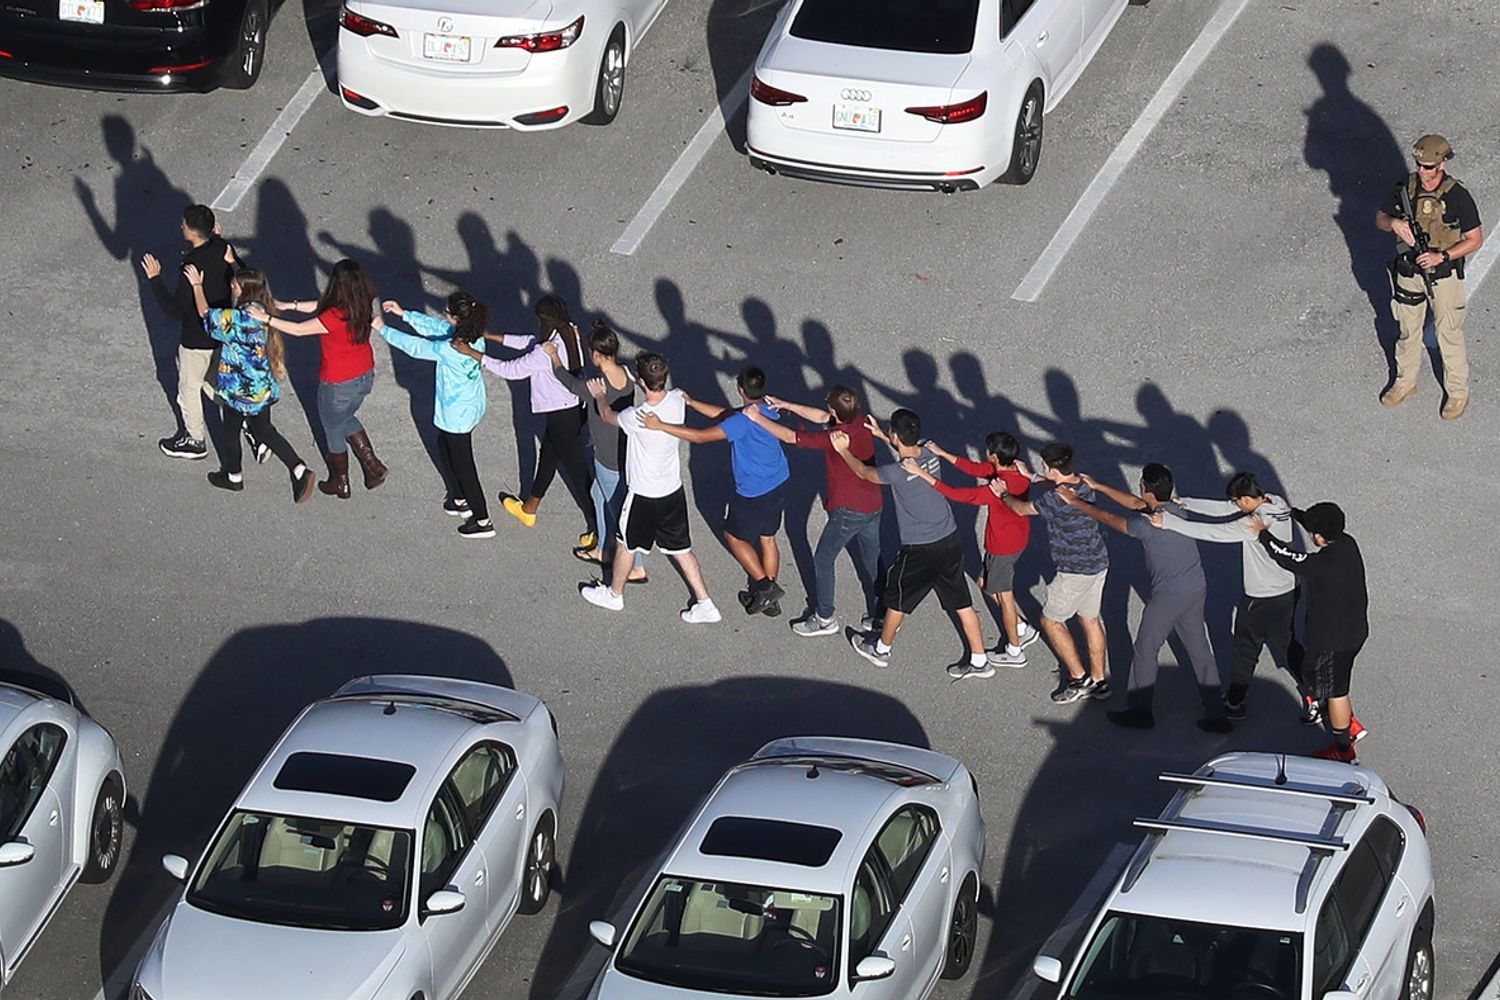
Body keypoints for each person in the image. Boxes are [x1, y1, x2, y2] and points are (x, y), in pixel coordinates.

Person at [1056, 466, 1231, 732]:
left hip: (1168, 596)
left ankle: (1140, 710)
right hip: (1196, 587)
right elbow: (1137, 504)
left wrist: (1075, 501)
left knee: (1146, 648)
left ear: (1146, 488)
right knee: (1199, 647)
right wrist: (1098, 486)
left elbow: (1109, 518)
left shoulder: (1145, 525)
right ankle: (1216, 711)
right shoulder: (1173, 510)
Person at [835, 410, 992, 679]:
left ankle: (881, 649)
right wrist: (882, 435)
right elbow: (906, 449)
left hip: (920, 548)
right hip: (949, 539)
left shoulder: (894, 472)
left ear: (896, 436)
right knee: (961, 601)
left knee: (897, 600)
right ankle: (980, 660)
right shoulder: (928, 451)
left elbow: (864, 472)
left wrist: (843, 451)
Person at [578, 353, 720, 624]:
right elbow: (660, 391)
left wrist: (599, 395)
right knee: (681, 549)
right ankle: (705, 603)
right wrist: (641, 380)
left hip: (643, 495)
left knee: (625, 544)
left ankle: (614, 594)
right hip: (672, 491)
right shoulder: (678, 398)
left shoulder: (637, 416)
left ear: (642, 381)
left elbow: (608, 417)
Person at [642, 365, 791, 617]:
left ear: (740, 389)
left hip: (754, 491)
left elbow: (701, 437)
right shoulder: (765, 408)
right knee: (768, 537)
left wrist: (661, 426)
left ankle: (766, 588)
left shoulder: (742, 422)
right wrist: (691, 402)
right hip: (779, 481)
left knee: (734, 536)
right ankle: (769, 597)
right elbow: (725, 414)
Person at [742, 385, 883, 636]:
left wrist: (757, 417)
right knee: (873, 559)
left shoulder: (834, 438)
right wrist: (786, 404)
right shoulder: (860, 422)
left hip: (849, 510)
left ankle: (825, 617)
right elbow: (821, 417)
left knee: (824, 559)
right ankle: (881, 614)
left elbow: (789, 437)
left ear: (834, 410)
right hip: (873, 503)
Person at [248, 259, 387, 499]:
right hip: (364, 375)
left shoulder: (335, 315)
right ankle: (372, 465)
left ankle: (340, 481)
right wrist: (289, 305)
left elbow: (300, 330)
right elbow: (321, 305)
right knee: (344, 418)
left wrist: (266, 319)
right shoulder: (361, 302)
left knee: (332, 428)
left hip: (338, 382)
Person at [469, 295, 597, 548]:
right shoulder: (567, 330)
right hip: (571, 409)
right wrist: (493, 337)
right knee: (548, 457)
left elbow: (512, 369)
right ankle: (529, 507)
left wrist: (475, 354)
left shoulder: (544, 351)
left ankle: (599, 527)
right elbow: (530, 343)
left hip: (562, 416)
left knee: (580, 474)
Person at [182, 265, 316, 502]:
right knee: (264, 430)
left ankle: (233, 475)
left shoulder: (240, 318)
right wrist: (232, 259)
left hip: (240, 390)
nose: (231, 286)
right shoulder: (261, 308)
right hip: (262, 386)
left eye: (234, 284)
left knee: (230, 431)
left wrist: (196, 285)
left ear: (243, 289)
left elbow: (205, 314)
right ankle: (299, 470)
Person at [1248, 502, 1369, 762]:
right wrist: (1293, 513)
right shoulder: (1348, 544)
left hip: (1332, 642)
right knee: (1329, 677)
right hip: (1355, 631)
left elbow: (1287, 557)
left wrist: (1263, 533)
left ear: (1318, 535)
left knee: (1336, 691)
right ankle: (1347, 722)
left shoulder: (1320, 564)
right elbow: (1318, 526)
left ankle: (1343, 748)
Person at [1377, 134, 1485, 420]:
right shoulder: (1406, 189)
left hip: (1442, 275)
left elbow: (1475, 239)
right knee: (1407, 329)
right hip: (1408, 271)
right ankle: (1405, 381)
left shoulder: (1456, 196)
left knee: (1448, 333)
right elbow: (1380, 218)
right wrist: (1395, 224)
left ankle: (1458, 393)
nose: (1422, 171)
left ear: (1443, 164)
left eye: (1429, 166)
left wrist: (1443, 256)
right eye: (1419, 165)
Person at [376, 292, 495, 538]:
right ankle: (459, 497)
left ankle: (482, 520)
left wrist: (381, 328)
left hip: (456, 415)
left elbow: (417, 347)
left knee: (465, 467)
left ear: (455, 317)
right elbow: (437, 327)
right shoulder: (472, 334)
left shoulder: (450, 348)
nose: (445, 316)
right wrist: (404, 314)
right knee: (443, 445)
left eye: (447, 312)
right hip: (469, 406)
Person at [918, 432, 1040, 666]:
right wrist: (942, 453)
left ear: (994, 456)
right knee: (984, 583)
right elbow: (976, 469)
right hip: (1016, 539)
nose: (985, 454)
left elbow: (956, 494)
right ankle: (1021, 627)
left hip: (1002, 546)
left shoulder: (994, 490)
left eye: (988, 451)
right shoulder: (1016, 470)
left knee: (1004, 597)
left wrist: (922, 474)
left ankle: (1015, 651)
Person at [1002, 443, 1111, 704]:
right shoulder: (1082, 483)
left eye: (1043, 466)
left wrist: (1004, 493)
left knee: (1051, 621)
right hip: (1097, 563)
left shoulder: (1054, 499)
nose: (1042, 468)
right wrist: (1031, 476)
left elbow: (1022, 509)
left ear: (1052, 468)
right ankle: (1099, 681)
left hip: (1073, 571)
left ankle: (1078, 678)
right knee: (1090, 620)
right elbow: (1057, 486)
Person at [542, 322, 647, 582]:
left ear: (597, 354)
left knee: (620, 510)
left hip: (608, 458)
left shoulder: (595, 388)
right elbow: (592, 377)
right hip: (624, 452)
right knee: (597, 494)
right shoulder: (624, 373)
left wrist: (554, 356)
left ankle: (637, 566)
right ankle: (602, 549)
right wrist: (577, 342)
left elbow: (566, 379)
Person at [140, 204, 238, 460]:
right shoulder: (223, 248)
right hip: (223, 332)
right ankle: (249, 421)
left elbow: (173, 309)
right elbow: (241, 273)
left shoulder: (192, 266)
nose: (180, 226)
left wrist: (155, 278)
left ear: (193, 232)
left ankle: (194, 440)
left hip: (197, 338)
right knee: (214, 382)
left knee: (189, 388)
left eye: (184, 224)